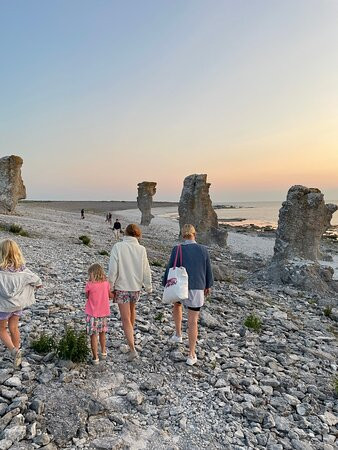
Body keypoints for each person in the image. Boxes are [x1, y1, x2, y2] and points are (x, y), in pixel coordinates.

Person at [163, 224, 213, 366]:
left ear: (183, 234)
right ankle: (191, 354)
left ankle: (178, 334)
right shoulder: (203, 250)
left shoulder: (177, 249)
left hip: (179, 286)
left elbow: (170, 267)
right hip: (197, 287)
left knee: (177, 305)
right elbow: (207, 268)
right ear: (194, 234)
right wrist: (208, 285)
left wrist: (165, 284)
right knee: (193, 320)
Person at [108, 224, 152, 361]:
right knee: (132, 312)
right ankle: (130, 339)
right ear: (138, 235)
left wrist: (110, 287)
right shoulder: (141, 249)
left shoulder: (118, 247)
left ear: (125, 233)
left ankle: (132, 349)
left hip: (122, 286)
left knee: (126, 318)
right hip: (135, 287)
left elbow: (113, 269)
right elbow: (146, 269)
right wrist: (148, 286)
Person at [0, 239, 42, 368]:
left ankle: (14, 351)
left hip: (4, 306)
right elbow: (38, 282)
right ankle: (17, 352)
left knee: (1, 329)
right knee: (14, 328)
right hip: (18, 305)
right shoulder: (22, 268)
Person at [85, 263, 112, 364]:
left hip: (92, 314)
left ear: (92, 274)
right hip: (103, 313)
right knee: (102, 333)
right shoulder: (106, 283)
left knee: (93, 335)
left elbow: (87, 296)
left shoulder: (89, 285)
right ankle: (103, 352)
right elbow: (110, 295)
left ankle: (95, 357)